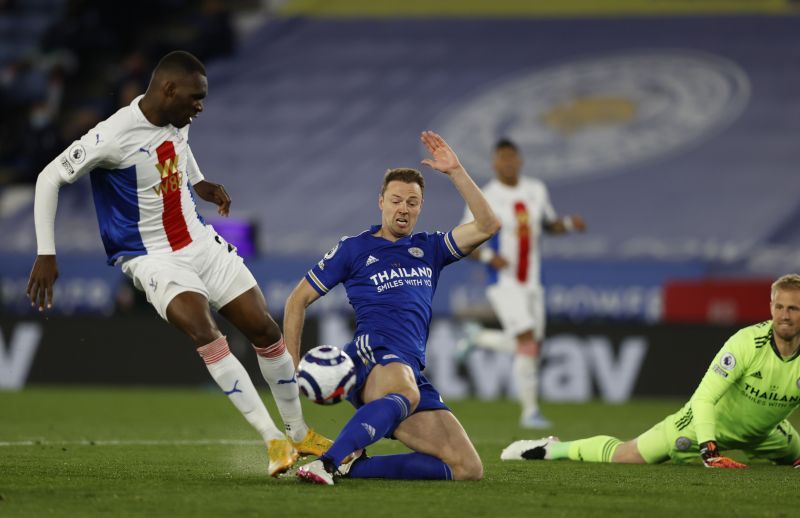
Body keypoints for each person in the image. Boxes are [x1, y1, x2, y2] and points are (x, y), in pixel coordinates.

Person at [25, 50, 330, 477]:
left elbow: (177, 147)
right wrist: (46, 252)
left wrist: (198, 180)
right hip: (152, 257)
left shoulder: (174, 119)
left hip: (200, 241)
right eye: (195, 98)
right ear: (167, 89)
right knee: (205, 330)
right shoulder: (113, 135)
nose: (200, 106)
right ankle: (274, 441)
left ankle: (298, 432)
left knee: (265, 329)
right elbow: (49, 178)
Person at [284, 131, 501, 484]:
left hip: (410, 368)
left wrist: (457, 171)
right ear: (381, 202)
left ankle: (351, 466)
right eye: (396, 199)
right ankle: (327, 462)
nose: (404, 208)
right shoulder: (353, 249)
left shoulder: (430, 249)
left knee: (467, 468)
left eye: (412, 202)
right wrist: (290, 367)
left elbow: (488, 225)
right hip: (373, 354)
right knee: (404, 391)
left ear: (420, 208)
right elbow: (297, 300)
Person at [501, 273, 800, 469]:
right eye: (779, 307)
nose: (784, 316)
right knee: (628, 456)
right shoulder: (746, 343)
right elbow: (704, 399)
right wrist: (710, 451)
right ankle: (551, 449)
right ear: (770, 307)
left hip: (768, 432)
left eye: (793, 309)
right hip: (704, 427)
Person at [459, 138, 586, 429]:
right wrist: (491, 256)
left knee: (530, 347)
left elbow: (546, 224)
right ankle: (530, 413)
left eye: (512, 157)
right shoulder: (486, 196)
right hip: (504, 282)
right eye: (502, 158)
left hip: (533, 282)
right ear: (494, 163)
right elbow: (468, 242)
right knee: (527, 340)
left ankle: (478, 338)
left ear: (520, 161)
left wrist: (567, 225)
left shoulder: (536, 189)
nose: (508, 162)